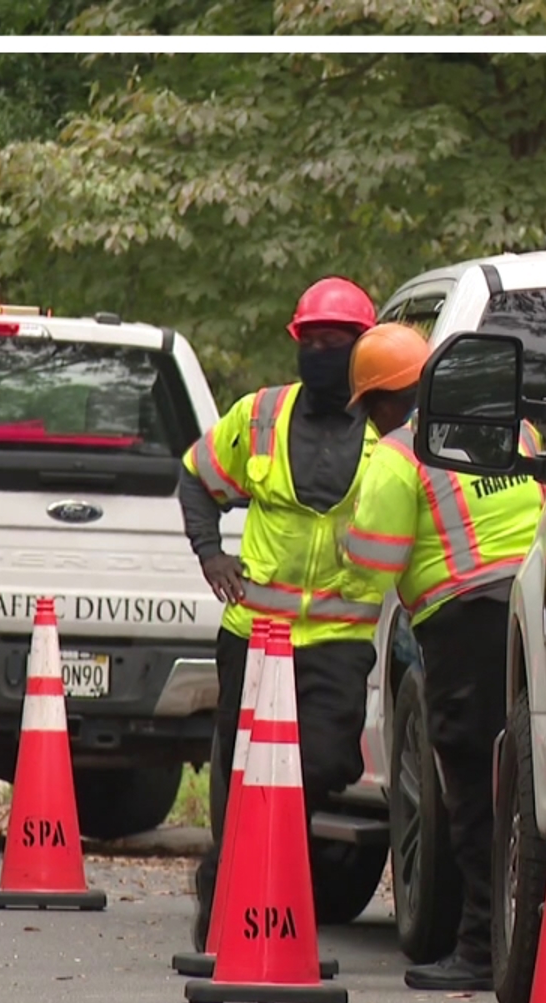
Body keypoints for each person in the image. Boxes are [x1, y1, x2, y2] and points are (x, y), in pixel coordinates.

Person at [177, 276, 387, 950]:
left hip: (337, 637)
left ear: (364, 348)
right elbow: (197, 475)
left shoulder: (391, 430)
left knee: (324, 764)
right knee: (240, 775)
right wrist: (211, 554)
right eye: (313, 341)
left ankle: (235, 874)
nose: (323, 352)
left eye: (338, 342)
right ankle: (227, 918)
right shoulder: (261, 413)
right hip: (255, 634)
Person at [337, 322, 546, 992]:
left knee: (472, 793)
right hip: (539, 613)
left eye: (369, 409)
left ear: (385, 402)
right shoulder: (516, 430)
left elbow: (372, 565)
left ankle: (483, 950)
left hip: (464, 628)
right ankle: (521, 941)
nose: (370, 424)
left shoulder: (399, 457)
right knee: (524, 784)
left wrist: (341, 563)